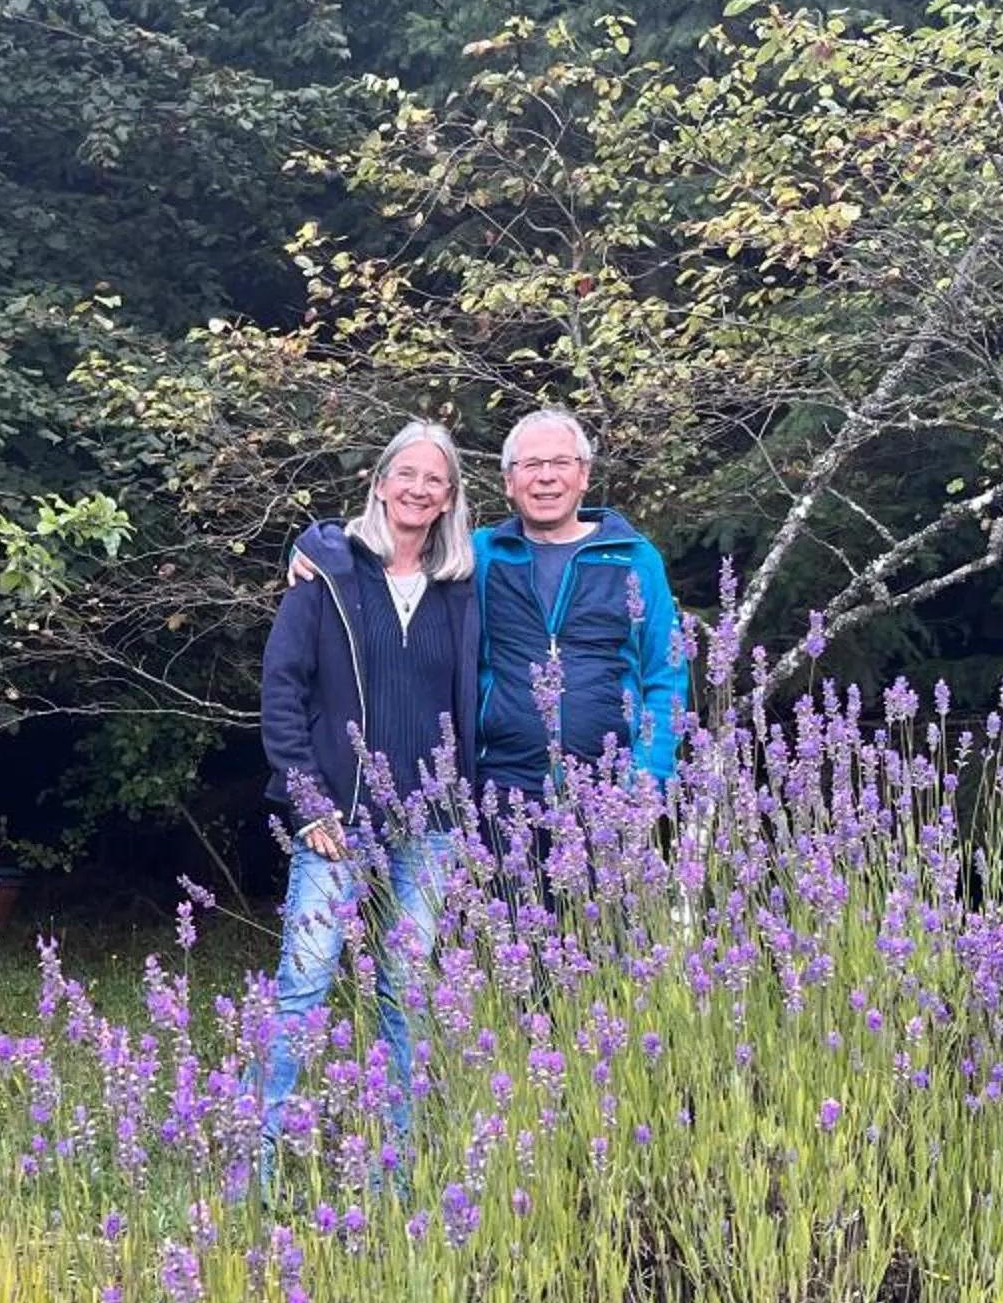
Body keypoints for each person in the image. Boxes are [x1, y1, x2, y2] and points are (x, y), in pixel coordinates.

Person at [256, 419, 482, 1164]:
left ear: (450, 498)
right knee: (304, 982)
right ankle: (252, 1156)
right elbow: (282, 694)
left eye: (435, 480)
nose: (419, 489)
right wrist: (308, 800)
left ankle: (403, 1161)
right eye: (406, 474)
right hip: (339, 820)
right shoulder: (328, 575)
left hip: (432, 819)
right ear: (379, 483)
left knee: (408, 990)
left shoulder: (460, 588)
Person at [472, 408, 683, 798]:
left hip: (612, 792)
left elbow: (666, 674)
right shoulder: (481, 554)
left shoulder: (634, 558)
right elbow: (399, 553)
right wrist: (326, 546)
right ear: (508, 481)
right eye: (531, 464)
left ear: (583, 475)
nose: (546, 476)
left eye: (560, 463)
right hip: (501, 790)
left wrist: (649, 772)